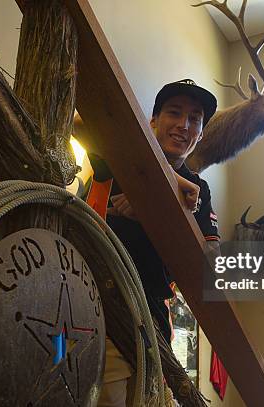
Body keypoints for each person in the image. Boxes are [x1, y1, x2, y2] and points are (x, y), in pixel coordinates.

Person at [76, 79, 220, 406]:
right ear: (153, 121)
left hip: (153, 314)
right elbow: (78, 123)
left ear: (200, 133)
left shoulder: (200, 189)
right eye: (174, 113)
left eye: (195, 119)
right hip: (95, 302)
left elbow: (208, 259)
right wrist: (170, 181)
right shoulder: (117, 156)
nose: (184, 125)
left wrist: (153, 209)